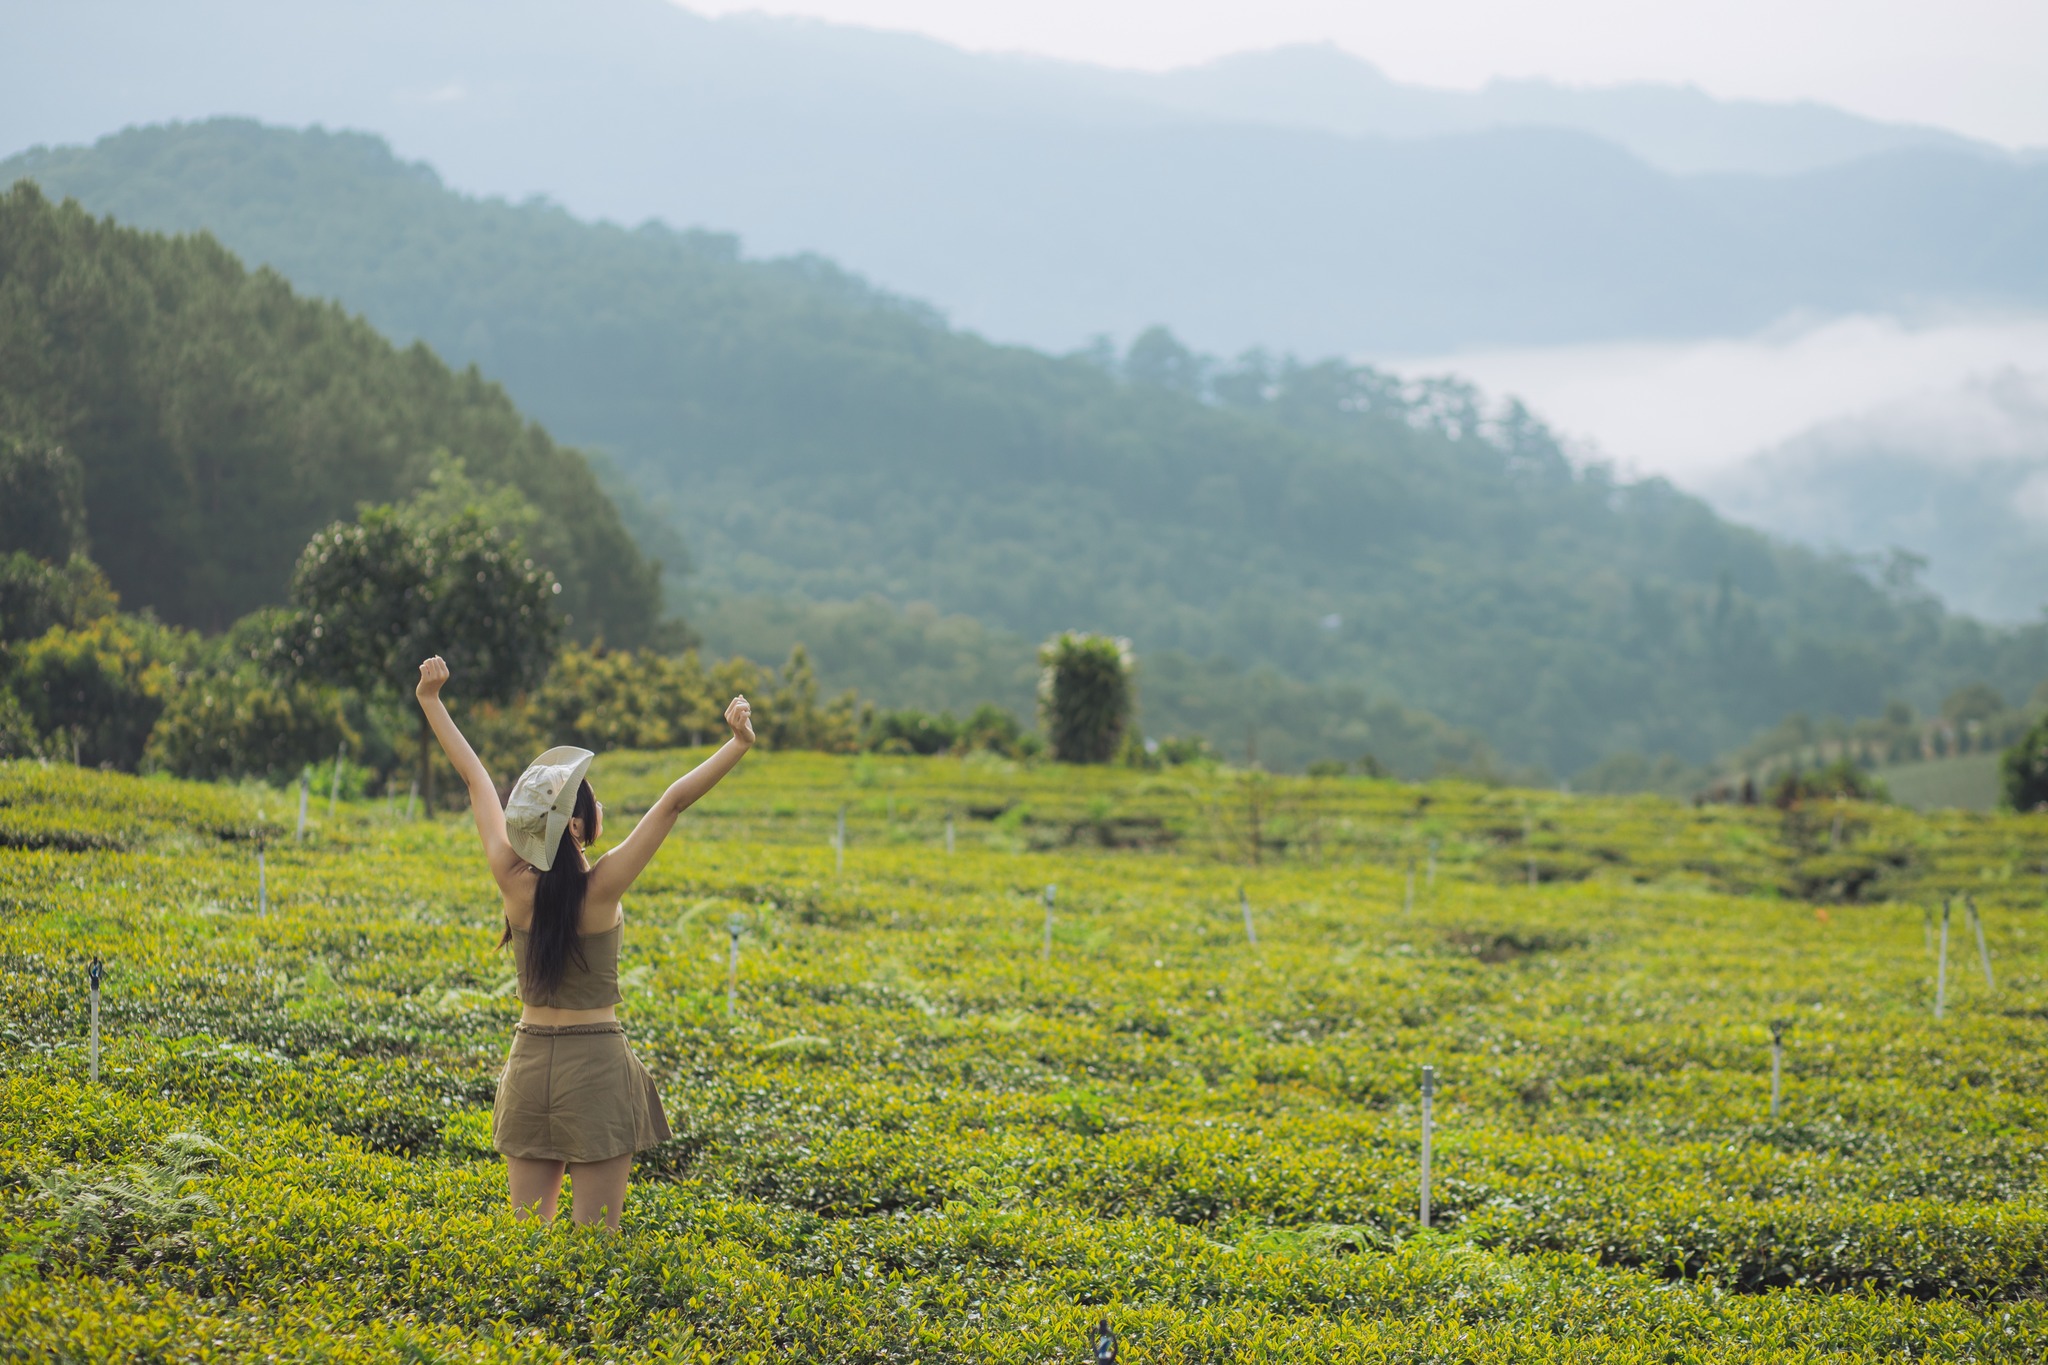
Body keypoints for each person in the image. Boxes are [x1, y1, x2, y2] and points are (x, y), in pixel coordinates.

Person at [414, 654, 754, 1229]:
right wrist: (738, 744)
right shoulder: (601, 888)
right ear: (579, 820)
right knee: (595, 1249)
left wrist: (431, 700)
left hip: (527, 1062)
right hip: (594, 1063)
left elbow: (475, 779)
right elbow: (671, 803)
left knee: (526, 1244)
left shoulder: (510, 877)